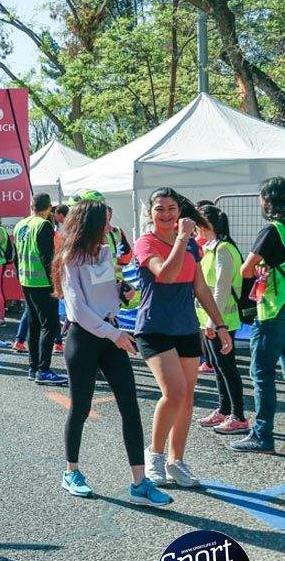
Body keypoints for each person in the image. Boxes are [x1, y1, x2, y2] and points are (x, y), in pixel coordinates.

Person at [53, 199, 173, 506]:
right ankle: (72, 472)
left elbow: (108, 297)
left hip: (111, 336)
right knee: (80, 407)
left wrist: (123, 295)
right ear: (90, 224)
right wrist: (115, 334)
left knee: (130, 408)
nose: (110, 227)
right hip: (84, 339)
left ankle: (139, 482)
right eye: (105, 222)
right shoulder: (69, 259)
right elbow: (78, 311)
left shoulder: (106, 253)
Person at [135, 188, 231, 486]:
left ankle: (177, 461)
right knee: (174, 392)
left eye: (172, 209)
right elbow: (165, 273)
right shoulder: (145, 242)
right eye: (160, 209)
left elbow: (200, 287)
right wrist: (181, 238)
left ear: (180, 211)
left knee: (187, 398)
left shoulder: (191, 246)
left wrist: (221, 325)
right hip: (154, 328)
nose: (166, 214)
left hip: (186, 328)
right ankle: (155, 455)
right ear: (150, 213)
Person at [234, 176, 285, 453]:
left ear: (268, 200)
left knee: (262, 373)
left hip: (273, 310)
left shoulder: (272, 231)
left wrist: (261, 266)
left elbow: (245, 269)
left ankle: (262, 434)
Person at [193, 206, 249, 435]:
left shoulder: (224, 249)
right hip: (212, 319)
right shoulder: (212, 248)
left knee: (227, 367)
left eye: (198, 224)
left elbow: (222, 289)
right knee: (217, 366)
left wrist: (213, 323)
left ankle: (239, 416)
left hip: (222, 320)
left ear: (208, 226)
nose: (196, 229)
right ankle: (224, 409)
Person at [14, 194, 67, 385]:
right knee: (50, 325)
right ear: (49, 208)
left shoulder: (21, 224)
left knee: (35, 324)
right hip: (42, 283)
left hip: (26, 280)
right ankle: (43, 369)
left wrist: (21, 277)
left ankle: (33, 366)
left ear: (32, 206)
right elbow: (47, 258)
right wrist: (56, 286)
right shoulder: (43, 225)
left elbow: (16, 256)